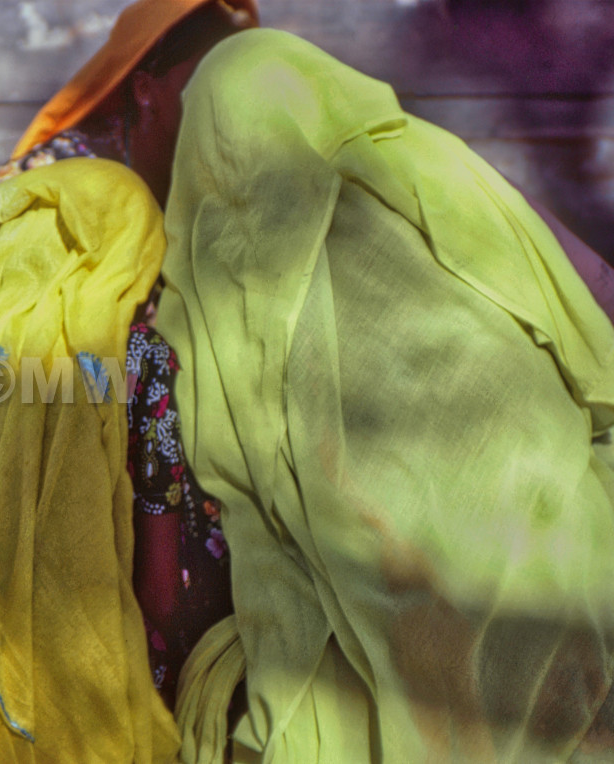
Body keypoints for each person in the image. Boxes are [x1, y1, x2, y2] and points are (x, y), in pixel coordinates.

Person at [158, 27, 614, 763]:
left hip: (408, 600)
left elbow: (244, 477)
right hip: (563, 527)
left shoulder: (222, 290)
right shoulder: (430, 167)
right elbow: (585, 306)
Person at [0, 0, 259, 716]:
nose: (221, 109)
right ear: (144, 88)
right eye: (197, 87)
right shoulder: (71, 174)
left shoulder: (235, 176)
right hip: (78, 432)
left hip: (165, 446)